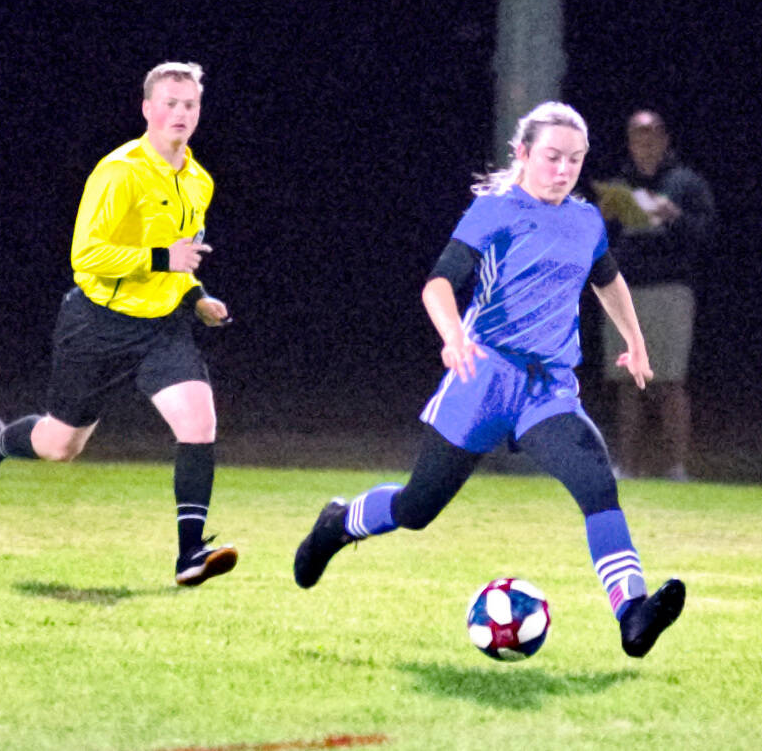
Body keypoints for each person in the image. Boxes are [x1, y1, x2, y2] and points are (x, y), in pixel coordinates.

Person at [293, 101, 685, 658]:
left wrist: (635, 339)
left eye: (575, 159)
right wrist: (453, 336)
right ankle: (338, 523)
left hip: (547, 388)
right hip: (484, 376)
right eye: (551, 156)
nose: (563, 169)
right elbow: (437, 285)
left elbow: (608, 279)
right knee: (417, 508)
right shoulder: (495, 210)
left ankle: (632, 612)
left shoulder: (585, 221)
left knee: (597, 486)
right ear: (522, 154)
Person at [0, 62, 238, 587]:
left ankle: (190, 555)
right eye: (170, 103)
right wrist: (163, 260)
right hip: (97, 324)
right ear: (147, 109)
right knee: (61, 446)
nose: (181, 113)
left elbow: (181, 260)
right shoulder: (119, 171)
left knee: (199, 424)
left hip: (162, 328)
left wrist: (197, 296)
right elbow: (85, 256)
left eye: (190, 104)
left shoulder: (199, 181)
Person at [594, 110, 715, 481]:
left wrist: (672, 215)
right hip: (625, 291)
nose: (644, 143)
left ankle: (675, 467)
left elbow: (706, 233)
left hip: (671, 288)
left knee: (669, 381)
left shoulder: (685, 182)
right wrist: (602, 217)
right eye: (637, 136)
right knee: (628, 384)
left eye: (651, 135)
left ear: (664, 140)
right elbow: (597, 241)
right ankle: (627, 468)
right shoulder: (620, 184)